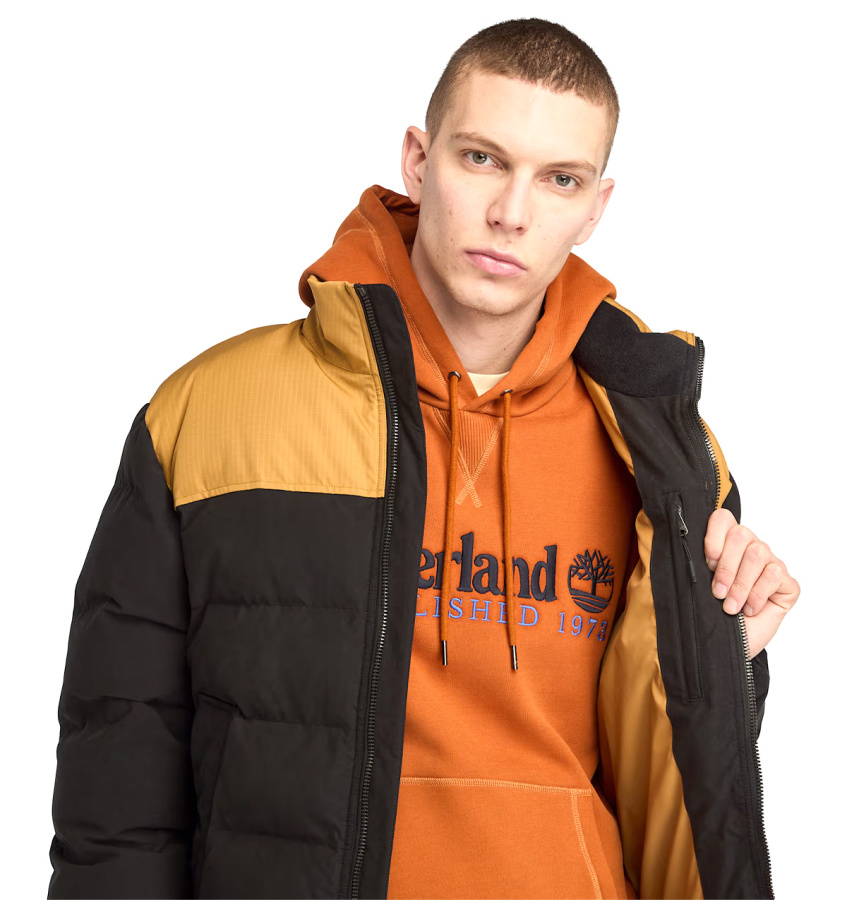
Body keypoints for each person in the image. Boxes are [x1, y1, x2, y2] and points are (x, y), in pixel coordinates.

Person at [47, 17, 800, 900]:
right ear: (417, 158)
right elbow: (119, 777)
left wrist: (722, 656)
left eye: (558, 179)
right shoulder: (211, 414)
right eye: (481, 158)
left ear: (595, 207)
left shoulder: (663, 452)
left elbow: (681, 790)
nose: (511, 213)